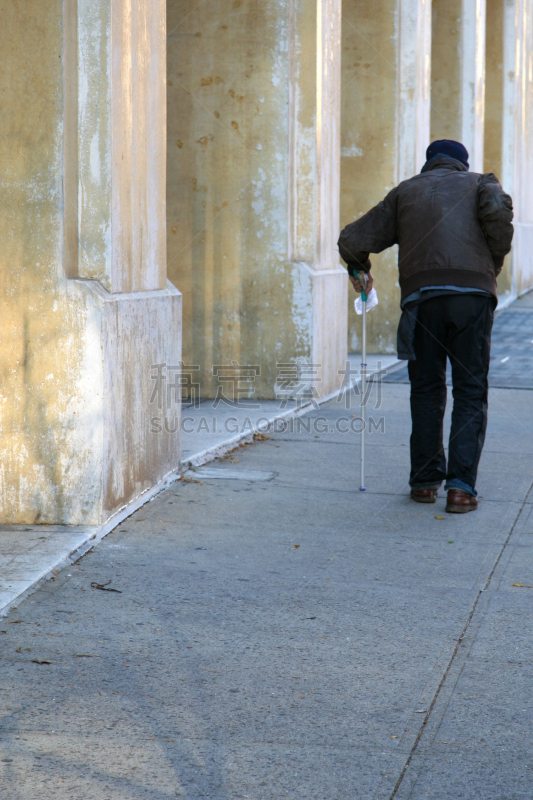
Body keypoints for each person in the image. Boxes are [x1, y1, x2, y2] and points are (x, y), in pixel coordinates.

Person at [338, 139, 514, 513]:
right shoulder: (482, 184)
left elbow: (352, 239)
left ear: (429, 163)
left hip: (421, 302)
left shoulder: (406, 192)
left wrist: (360, 270)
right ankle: (461, 489)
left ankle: (424, 482)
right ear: (461, 164)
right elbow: (498, 214)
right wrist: (492, 264)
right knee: (469, 389)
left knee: (426, 388)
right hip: (472, 299)